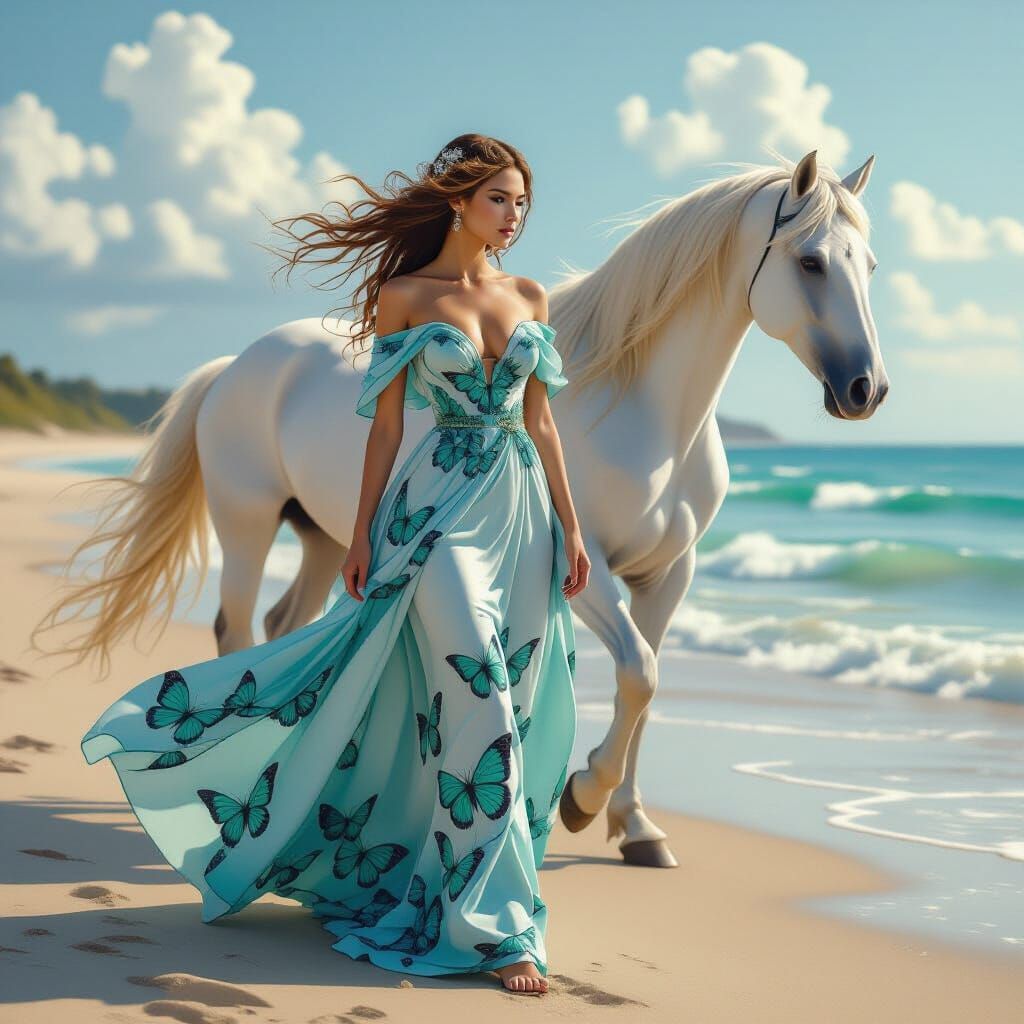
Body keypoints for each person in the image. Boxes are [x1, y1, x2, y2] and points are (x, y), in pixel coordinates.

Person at [78, 133, 590, 996]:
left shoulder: (529, 295)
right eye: (501, 198)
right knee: (480, 693)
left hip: (523, 516)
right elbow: (387, 427)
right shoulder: (404, 295)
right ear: (459, 202)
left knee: (516, 700)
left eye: (523, 202)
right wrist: (359, 536)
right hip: (434, 514)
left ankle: (468, 894)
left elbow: (542, 424)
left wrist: (572, 531)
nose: (515, 215)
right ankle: (499, 930)